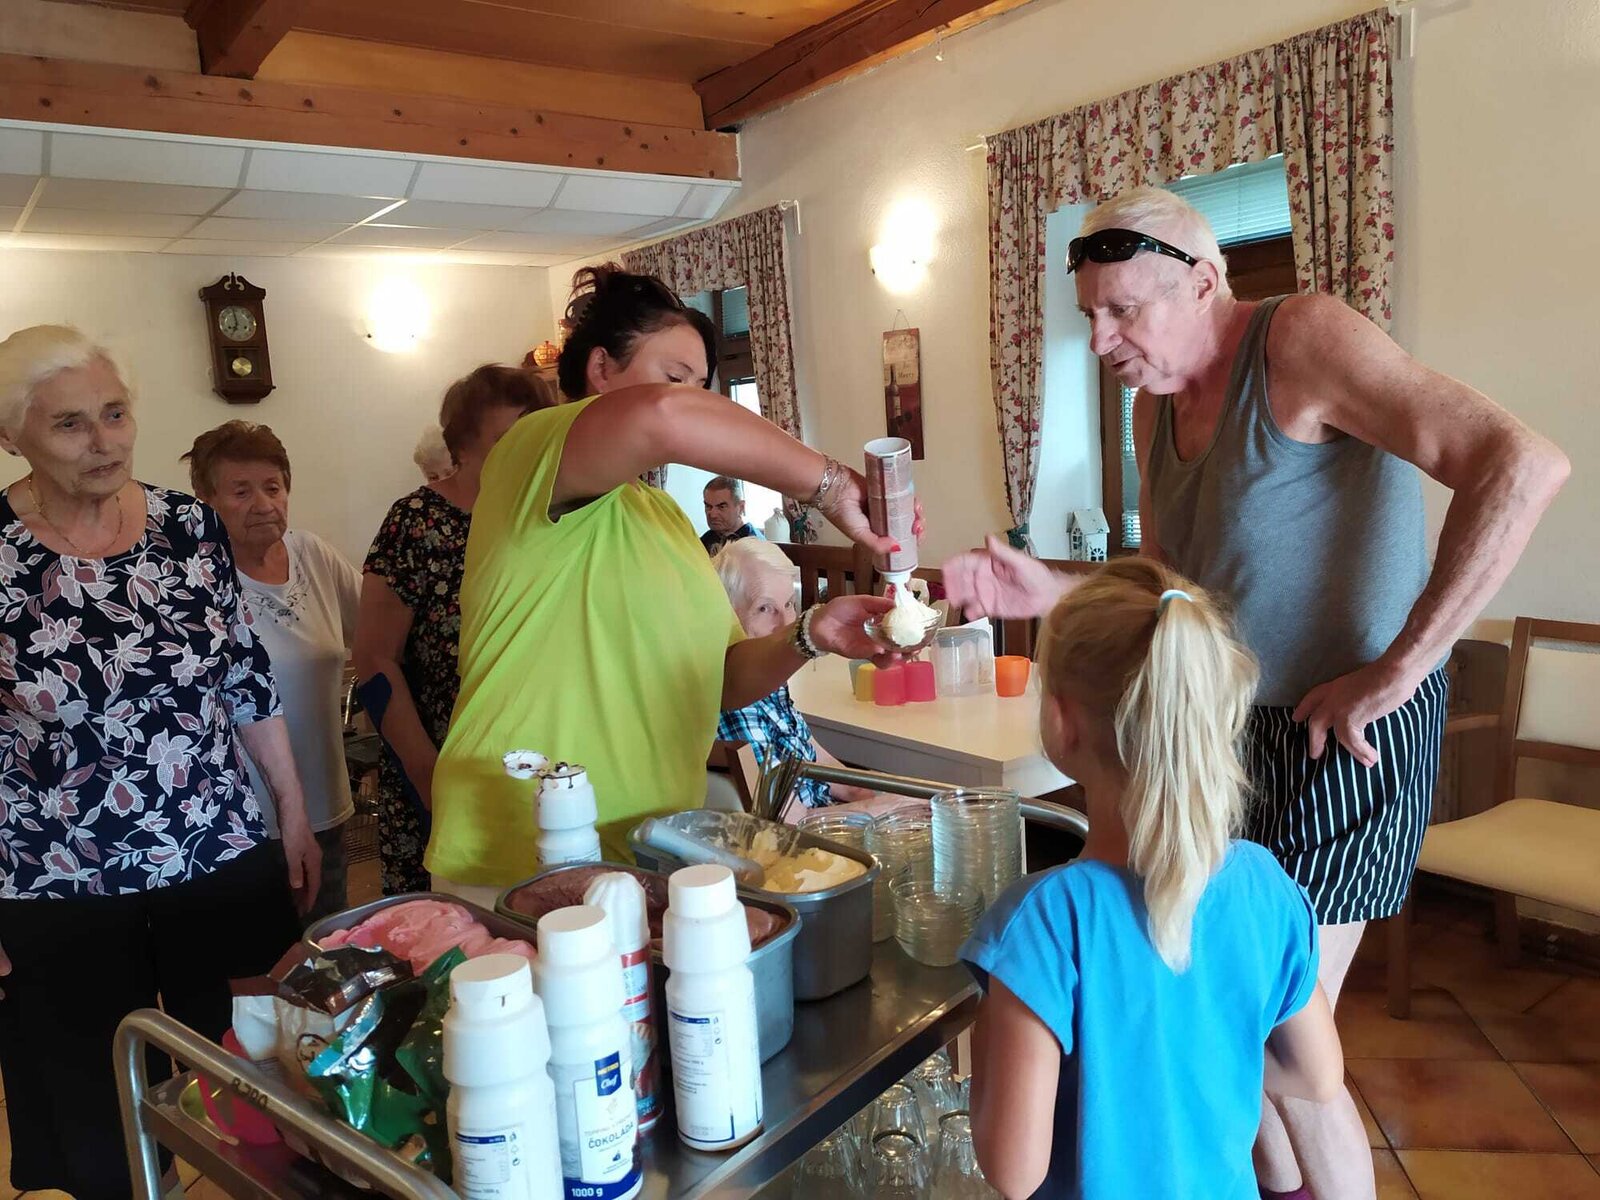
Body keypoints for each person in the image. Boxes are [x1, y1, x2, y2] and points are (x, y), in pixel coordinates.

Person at [944, 185, 1569, 1200]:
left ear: (1202, 284)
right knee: (1234, 1035)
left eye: (1123, 312)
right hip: (1224, 735)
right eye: (1090, 315)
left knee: (1279, 1042)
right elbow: (1171, 588)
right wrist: (1049, 587)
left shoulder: (1302, 337)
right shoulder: (1152, 410)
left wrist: (1401, 667)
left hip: (1346, 737)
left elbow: (1523, 464)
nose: (1100, 342)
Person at [428, 264, 915, 902]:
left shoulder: (662, 516)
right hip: (522, 851)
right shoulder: (530, 456)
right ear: (601, 368)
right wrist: (830, 485)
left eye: (704, 388)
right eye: (677, 376)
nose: (695, 400)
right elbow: (661, 417)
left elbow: (722, 680)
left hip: (646, 849)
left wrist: (810, 633)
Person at [0, 325, 316, 1200]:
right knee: (100, 1118)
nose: (102, 441)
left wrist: (291, 813)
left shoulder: (188, 526)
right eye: (69, 423)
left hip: (217, 849)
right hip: (57, 877)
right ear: (11, 436)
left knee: (262, 1084)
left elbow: (244, 678)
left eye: (114, 413)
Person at [962, 559, 1345, 1199]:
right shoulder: (1263, 884)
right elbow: (1317, 1076)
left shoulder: (1042, 922)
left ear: (1060, 721)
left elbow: (1013, 1172)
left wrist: (984, 1050)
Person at [353, 365, 552, 895]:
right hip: (444, 762)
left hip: (542, 763)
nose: (527, 455)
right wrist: (429, 775)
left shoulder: (550, 518)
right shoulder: (417, 520)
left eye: (537, 438)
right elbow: (373, 659)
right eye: (507, 441)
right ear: (461, 447)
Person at [184, 420, 361, 923]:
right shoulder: (194, 578)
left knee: (327, 942)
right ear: (205, 500)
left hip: (324, 796)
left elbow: (378, 636)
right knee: (256, 955)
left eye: (273, 487)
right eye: (241, 491)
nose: (263, 504)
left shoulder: (313, 555)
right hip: (237, 818)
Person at [712, 539, 898, 819]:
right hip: (806, 838)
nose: (787, 623)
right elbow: (790, 822)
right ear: (729, 618)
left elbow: (820, 761)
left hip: (829, 818)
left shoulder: (771, 685)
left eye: (789, 603)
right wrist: (879, 809)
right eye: (764, 608)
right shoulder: (737, 701)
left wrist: (881, 797)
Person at [701, 475, 761, 554]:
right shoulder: (706, 540)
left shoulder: (754, 546)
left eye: (721, 507)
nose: (713, 515)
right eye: (708, 506)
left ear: (741, 507)